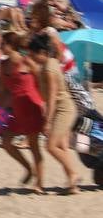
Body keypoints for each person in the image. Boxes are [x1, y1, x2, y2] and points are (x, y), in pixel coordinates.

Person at [27, 33, 81, 193]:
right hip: (62, 107)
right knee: (62, 146)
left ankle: (73, 173)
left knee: (50, 146)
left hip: (63, 109)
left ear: (42, 52)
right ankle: (73, 185)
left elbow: (51, 97)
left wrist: (48, 121)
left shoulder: (49, 68)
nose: (32, 57)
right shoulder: (51, 63)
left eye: (34, 54)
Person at [0, 31, 45, 191]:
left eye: (3, 44)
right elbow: (3, 90)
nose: (0, 46)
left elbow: (41, 80)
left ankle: (39, 183)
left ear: (11, 45)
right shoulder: (2, 65)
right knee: (5, 142)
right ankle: (28, 168)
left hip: (31, 105)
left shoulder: (26, 61)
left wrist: (43, 102)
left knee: (34, 146)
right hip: (17, 108)